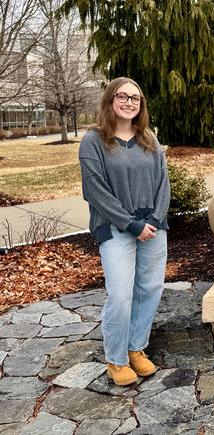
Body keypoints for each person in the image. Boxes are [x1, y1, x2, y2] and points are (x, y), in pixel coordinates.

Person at [78, 77, 171, 386]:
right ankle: (116, 360)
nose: (130, 102)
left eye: (136, 98)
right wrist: (131, 224)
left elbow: (163, 184)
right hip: (116, 228)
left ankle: (135, 348)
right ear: (110, 100)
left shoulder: (149, 138)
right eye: (123, 96)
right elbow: (95, 189)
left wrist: (155, 221)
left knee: (150, 288)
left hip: (153, 227)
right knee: (120, 294)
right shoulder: (94, 140)